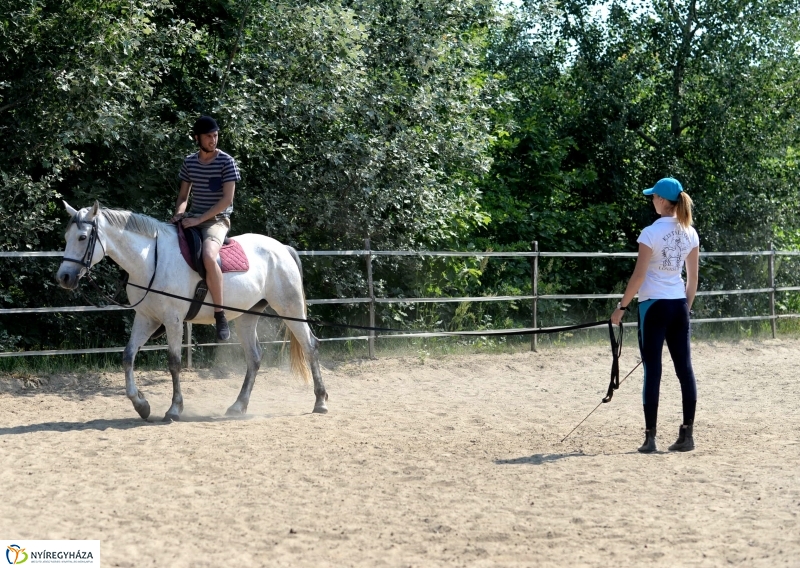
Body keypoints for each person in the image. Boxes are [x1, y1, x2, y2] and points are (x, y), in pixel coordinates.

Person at [610, 177, 699, 453]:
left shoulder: (650, 233)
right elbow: (693, 279)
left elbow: (639, 276)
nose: (651, 200)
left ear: (662, 200)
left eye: (653, 197)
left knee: (653, 370)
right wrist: (685, 307)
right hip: (678, 306)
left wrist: (621, 307)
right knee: (684, 369)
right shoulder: (690, 233)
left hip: (653, 306)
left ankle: (650, 437)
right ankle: (687, 434)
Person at [171, 116, 241, 341]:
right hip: (193, 217)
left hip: (217, 220)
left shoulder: (226, 162)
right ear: (197, 138)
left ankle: (220, 314)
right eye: (209, 136)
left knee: (210, 257)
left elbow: (226, 200)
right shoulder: (190, 162)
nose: (213, 140)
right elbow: (183, 196)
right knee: (166, 250)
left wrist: (199, 219)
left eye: (215, 135)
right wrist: (179, 214)